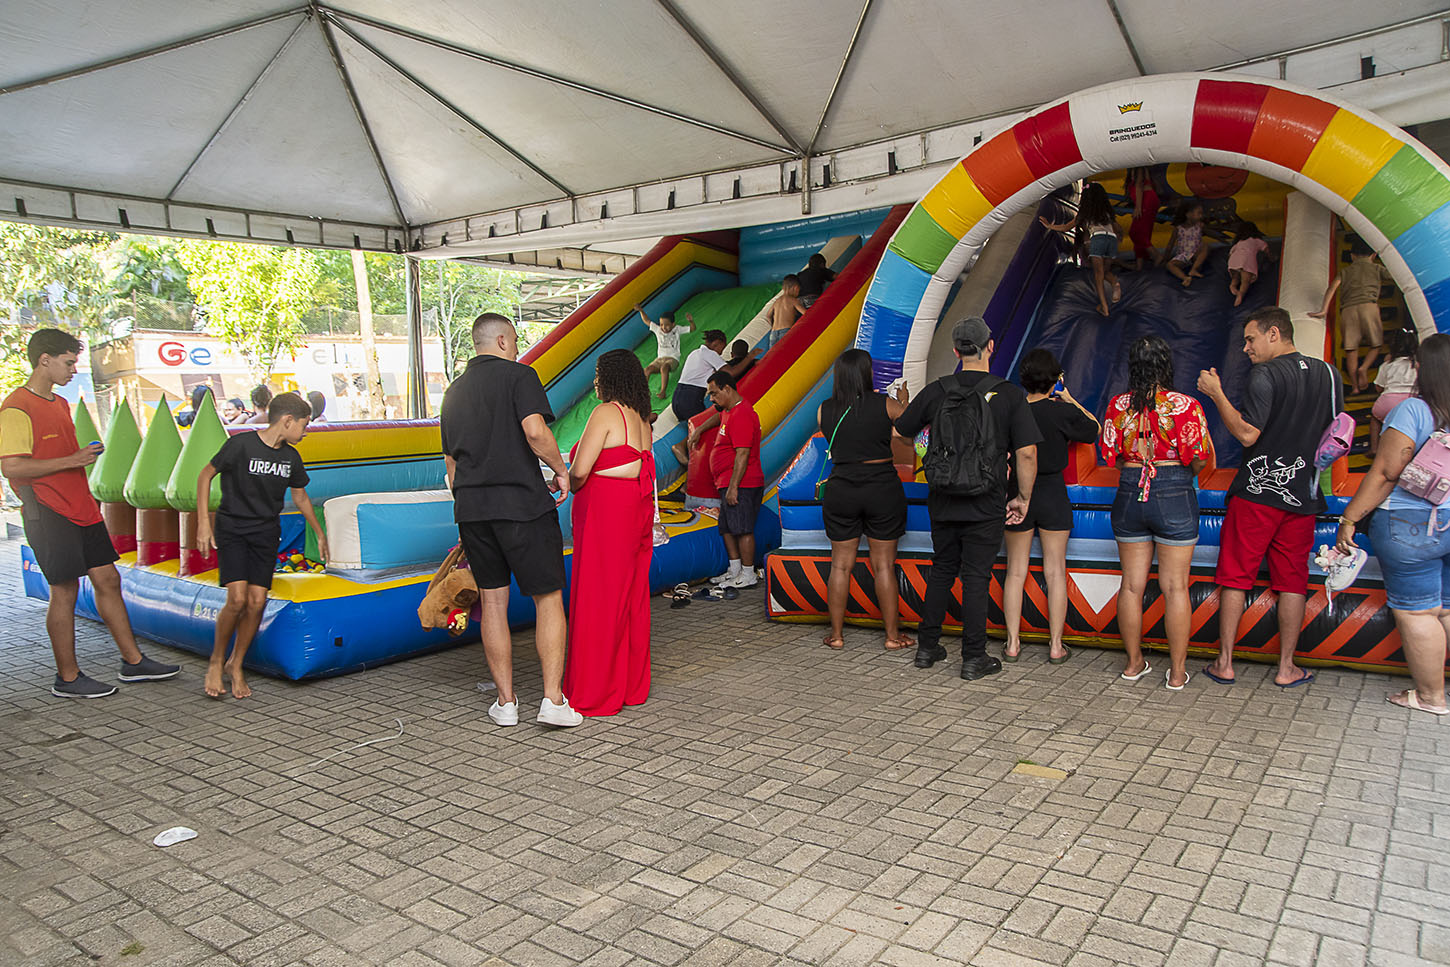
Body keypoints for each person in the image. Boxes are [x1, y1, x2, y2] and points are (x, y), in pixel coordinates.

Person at [0, 328, 180, 697]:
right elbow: (12, 467)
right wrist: (73, 459)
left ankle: (133, 662)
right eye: (68, 363)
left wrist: (80, 457)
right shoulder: (16, 407)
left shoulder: (58, 403)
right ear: (44, 360)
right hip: (47, 511)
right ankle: (67, 678)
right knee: (64, 589)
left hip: (82, 508)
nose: (73, 370)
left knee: (108, 579)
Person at [440, 313, 582, 728]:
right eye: (516, 341)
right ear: (502, 341)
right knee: (547, 598)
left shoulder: (453, 392)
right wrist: (560, 470)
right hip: (521, 505)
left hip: (473, 509)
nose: (518, 348)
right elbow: (535, 431)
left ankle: (506, 703)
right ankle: (553, 700)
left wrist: (470, 502)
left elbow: (451, 463)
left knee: (493, 602)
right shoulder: (520, 376)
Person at [1198, 306, 1342, 688]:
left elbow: (1248, 434)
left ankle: (1225, 663)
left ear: (1274, 334)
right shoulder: (1330, 374)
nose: (1246, 348)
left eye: (1251, 339)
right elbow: (1337, 430)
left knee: (1235, 577)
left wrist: (1216, 394)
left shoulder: (1264, 374)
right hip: (1303, 496)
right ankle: (1287, 667)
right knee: (1292, 582)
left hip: (1256, 495)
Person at [894, 317, 1041, 681]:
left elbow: (900, 432)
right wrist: (1022, 497)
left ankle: (927, 648)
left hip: (942, 497)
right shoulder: (1009, 395)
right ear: (990, 346)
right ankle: (974, 657)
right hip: (986, 499)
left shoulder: (936, 390)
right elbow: (1026, 453)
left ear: (956, 351)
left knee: (943, 569)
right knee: (976, 576)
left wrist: (929, 449)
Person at [1334, 333, 1450, 716]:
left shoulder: (1413, 410)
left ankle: (1430, 697)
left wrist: (1350, 517)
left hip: (1410, 523)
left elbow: (1386, 472)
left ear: (1420, 368)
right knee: (1447, 608)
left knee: (1418, 612)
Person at [195, 392, 326, 699]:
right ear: (288, 420)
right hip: (233, 529)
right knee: (237, 599)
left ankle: (236, 664)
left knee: (257, 601)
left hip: (265, 532)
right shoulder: (241, 445)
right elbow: (205, 475)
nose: (306, 432)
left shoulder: (291, 458)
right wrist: (203, 522)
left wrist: (319, 532)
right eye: (304, 425)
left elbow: (300, 496)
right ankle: (216, 661)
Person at [1101, 337, 1213, 689]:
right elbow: (1199, 457)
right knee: (1176, 587)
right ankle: (1177, 673)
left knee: (1131, 585)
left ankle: (1133, 664)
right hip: (1175, 489)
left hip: (1130, 489)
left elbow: (1111, 455)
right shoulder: (1186, 405)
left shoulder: (1118, 406)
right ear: (1166, 365)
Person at [561, 350, 655, 716]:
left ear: (611, 378)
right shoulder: (642, 420)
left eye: (599, 376)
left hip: (605, 510)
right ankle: (629, 686)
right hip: (633, 509)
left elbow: (580, 470)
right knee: (629, 595)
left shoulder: (606, 413)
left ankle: (596, 690)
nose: (596, 382)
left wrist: (565, 482)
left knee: (599, 597)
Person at [1003, 349, 1100, 664]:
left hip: (1018, 492)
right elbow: (1094, 430)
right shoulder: (1062, 411)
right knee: (1056, 571)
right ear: (1055, 380)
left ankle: (1013, 644)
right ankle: (1056, 646)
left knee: (1015, 571)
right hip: (1053, 492)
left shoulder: (1012, 410)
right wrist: (1070, 399)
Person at [816, 349, 911, 651]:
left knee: (840, 566)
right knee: (883, 566)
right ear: (867, 373)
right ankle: (892, 637)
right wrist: (904, 404)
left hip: (841, 488)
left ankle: (836, 635)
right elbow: (909, 438)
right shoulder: (887, 404)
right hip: (881, 487)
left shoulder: (824, 409)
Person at [702, 369, 764, 589]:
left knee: (743, 528)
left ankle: (748, 574)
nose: (711, 399)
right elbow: (718, 417)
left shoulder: (742, 414)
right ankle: (735, 569)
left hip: (742, 483)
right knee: (727, 528)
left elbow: (743, 453)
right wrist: (699, 429)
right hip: (726, 481)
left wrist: (734, 487)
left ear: (727, 389)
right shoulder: (728, 411)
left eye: (714, 393)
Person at [1310, 236, 1396, 393]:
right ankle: (1364, 368)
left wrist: (1324, 310)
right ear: (1374, 255)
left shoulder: (1345, 271)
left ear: (1352, 256)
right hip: (1369, 307)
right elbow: (1395, 277)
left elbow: (1332, 288)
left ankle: (1355, 386)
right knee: (1376, 344)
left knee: (1351, 350)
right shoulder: (1377, 268)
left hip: (1348, 310)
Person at [1040, 182, 1120, 316]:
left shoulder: (1085, 213)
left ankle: (1104, 307)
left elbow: (1066, 227)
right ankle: (1115, 283)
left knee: (1098, 274)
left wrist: (1050, 226)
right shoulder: (1106, 212)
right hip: (1111, 240)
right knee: (1105, 271)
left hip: (1098, 239)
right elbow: (1116, 228)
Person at [1369, 327, 1419, 456]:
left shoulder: (1387, 365)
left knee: (1375, 419)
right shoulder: (1418, 365)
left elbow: (1379, 387)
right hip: (1411, 402)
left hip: (1388, 402)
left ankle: (1374, 448)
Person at [636, 304, 694, 400]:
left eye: (667, 325)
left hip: (673, 359)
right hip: (660, 359)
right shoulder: (658, 330)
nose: (663, 327)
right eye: (661, 324)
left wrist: (691, 321)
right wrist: (641, 311)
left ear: (673, 324)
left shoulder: (677, 329)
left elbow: (692, 329)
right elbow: (647, 321)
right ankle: (643, 393)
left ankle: (663, 392)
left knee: (664, 367)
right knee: (647, 370)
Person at [671, 329, 729, 424]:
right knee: (706, 426)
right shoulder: (709, 353)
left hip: (676, 400)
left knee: (694, 428)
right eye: (722, 348)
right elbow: (730, 372)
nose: (721, 353)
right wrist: (750, 357)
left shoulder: (694, 353)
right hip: (690, 399)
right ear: (717, 343)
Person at [1164, 200, 1209, 287]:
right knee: (1169, 265)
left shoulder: (1199, 225)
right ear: (1188, 214)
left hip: (1195, 255)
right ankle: (1185, 278)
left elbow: (1209, 233)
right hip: (1183, 255)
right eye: (1199, 213)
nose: (1201, 216)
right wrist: (1165, 259)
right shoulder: (1178, 228)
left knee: (1205, 246)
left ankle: (1194, 269)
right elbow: (1170, 245)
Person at [1227, 221, 1270, 307]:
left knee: (1236, 277)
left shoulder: (1238, 242)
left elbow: (1230, 254)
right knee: (1245, 281)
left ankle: (1232, 286)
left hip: (1234, 261)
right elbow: (1266, 249)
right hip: (1246, 261)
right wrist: (1270, 257)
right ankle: (1241, 294)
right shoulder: (1256, 241)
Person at [1124, 166, 1159, 270]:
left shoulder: (1138, 168)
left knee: (1135, 232)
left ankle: (1156, 255)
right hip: (1147, 200)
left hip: (1146, 201)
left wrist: (1138, 207)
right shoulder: (1137, 169)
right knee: (1143, 233)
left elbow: (1139, 185)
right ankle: (1139, 263)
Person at [765, 275, 806, 351]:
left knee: (773, 355)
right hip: (785, 331)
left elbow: (768, 315)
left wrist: (772, 325)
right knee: (787, 352)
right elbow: (805, 313)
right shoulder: (793, 300)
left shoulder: (777, 301)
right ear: (796, 288)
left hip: (773, 332)